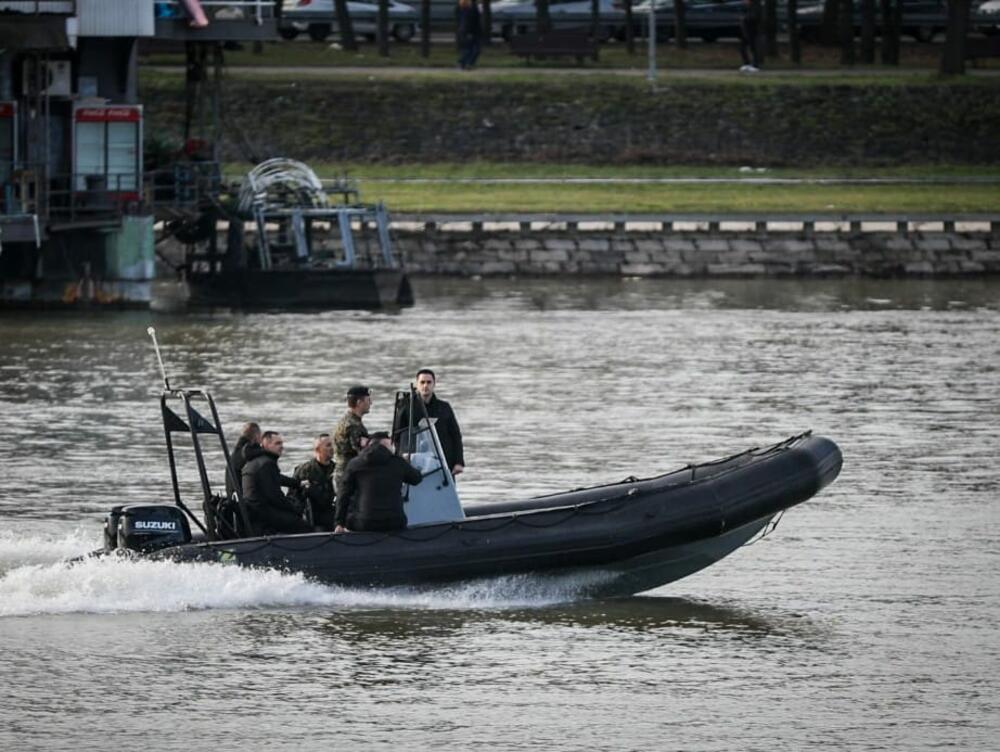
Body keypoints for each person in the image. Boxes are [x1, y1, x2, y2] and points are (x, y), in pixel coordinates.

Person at [335, 432, 423, 533]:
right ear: (386, 444)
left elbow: (343, 494)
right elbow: (417, 479)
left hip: (364, 523)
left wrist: (339, 523)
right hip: (394, 521)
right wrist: (407, 465)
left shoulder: (355, 463)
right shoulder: (398, 462)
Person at [241, 430, 313, 535]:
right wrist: (294, 507)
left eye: (282, 443)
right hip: (262, 512)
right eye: (277, 443)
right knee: (303, 525)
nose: (281, 447)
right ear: (266, 444)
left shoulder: (254, 461)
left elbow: (276, 478)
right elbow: (274, 496)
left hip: (253, 510)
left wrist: (297, 483)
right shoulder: (267, 464)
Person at [398, 368, 465, 477]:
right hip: (414, 465)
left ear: (434, 384)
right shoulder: (406, 407)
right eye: (422, 382)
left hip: (443, 464)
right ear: (417, 384)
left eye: (429, 382)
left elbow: (455, 436)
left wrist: (459, 462)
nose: (425, 386)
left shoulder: (444, 407)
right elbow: (398, 436)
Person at [333, 384, 371, 495]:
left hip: (343, 474)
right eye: (368, 400)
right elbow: (364, 453)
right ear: (359, 402)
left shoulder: (346, 420)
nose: (371, 403)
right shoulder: (353, 425)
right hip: (350, 477)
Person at [293, 433, 336, 531]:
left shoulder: (336, 469)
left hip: (331, 510)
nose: (332, 448)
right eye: (328, 445)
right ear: (318, 449)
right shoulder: (305, 470)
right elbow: (293, 496)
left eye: (332, 445)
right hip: (313, 514)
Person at [226, 421, 260, 498]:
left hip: (233, 499)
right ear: (256, 436)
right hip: (246, 504)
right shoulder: (250, 452)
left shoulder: (234, 455)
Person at [456, 0, 482, 71]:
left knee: (470, 49)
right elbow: (469, 22)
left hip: (467, 31)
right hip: (469, 32)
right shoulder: (470, 9)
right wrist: (469, 32)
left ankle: (465, 63)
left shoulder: (463, 9)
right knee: (473, 49)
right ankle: (465, 63)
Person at [738, 0, 761, 73]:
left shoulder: (755, 6)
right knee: (742, 47)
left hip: (752, 30)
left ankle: (755, 65)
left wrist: (745, 18)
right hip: (746, 31)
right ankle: (747, 63)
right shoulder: (747, 6)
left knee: (753, 48)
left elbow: (755, 17)